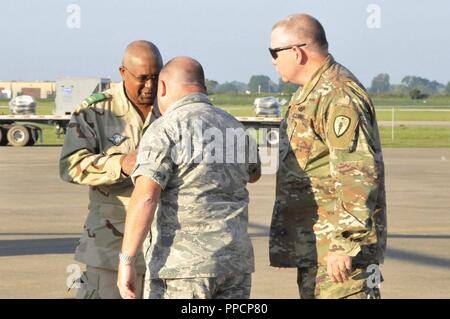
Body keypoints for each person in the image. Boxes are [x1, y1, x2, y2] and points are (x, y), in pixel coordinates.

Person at [117, 56, 261, 299]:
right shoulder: (235, 126)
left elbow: (146, 197)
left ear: (162, 87)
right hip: (234, 265)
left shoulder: (166, 128)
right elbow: (254, 173)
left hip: (183, 269)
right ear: (202, 87)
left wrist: (127, 260)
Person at [268, 14, 387, 299]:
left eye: (274, 53)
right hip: (318, 250)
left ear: (296, 52)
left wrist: (345, 243)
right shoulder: (309, 94)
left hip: (340, 256)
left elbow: (357, 170)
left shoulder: (337, 94)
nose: (272, 61)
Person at [59, 40, 163, 299]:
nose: (150, 86)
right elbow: (70, 165)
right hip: (109, 247)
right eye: (142, 78)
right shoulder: (95, 111)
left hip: (163, 247)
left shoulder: (172, 108)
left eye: (155, 76)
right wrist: (120, 164)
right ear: (122, 73)